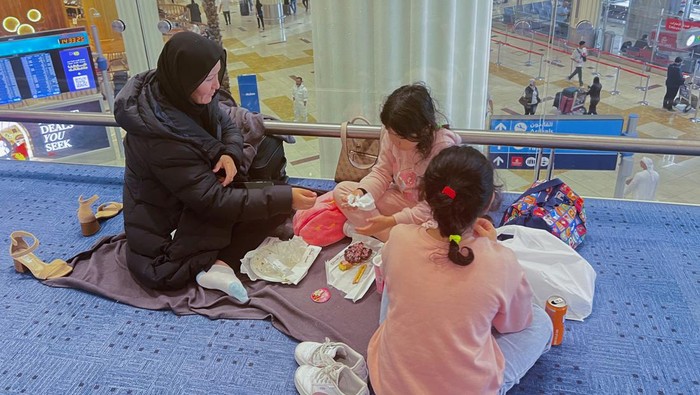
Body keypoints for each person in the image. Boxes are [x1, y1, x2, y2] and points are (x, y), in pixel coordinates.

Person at [113, 32, 316, 302]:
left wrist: (229, 153)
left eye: (217, 75)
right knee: (273, 204)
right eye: (208, 79)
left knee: (269, 202)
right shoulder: (160, 140)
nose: (215, 85)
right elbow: (214, 200)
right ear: (184, 80)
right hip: (165, 245)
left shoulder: (178, 95)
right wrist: (286, 197)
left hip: (189, 199)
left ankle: (219, 265)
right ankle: (220, 264)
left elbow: (229, 125)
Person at [367, 145, 553, 394]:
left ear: (426, 195)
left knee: (395, 279)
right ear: (487, 203)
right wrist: (493, 249)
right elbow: (515, 323)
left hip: (390, 383)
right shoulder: (501, 261)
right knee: (541, 321)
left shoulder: (398, 237)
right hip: (466, 388)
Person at [332, 83, 461, 241]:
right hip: (402, 201)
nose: (394, 140)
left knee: (442, 226)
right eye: (390, 132)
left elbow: (444, 198)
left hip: (431, 209)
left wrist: (393, 220)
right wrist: (362, 193)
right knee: (342, 191)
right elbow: (381, 172)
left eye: (401, 137)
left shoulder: (442, 147)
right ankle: (390, 237)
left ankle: (387, 234)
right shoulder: (390, 135)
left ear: (425, 129)